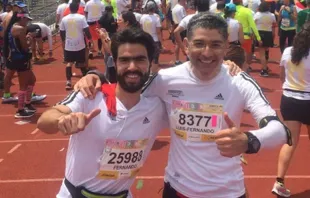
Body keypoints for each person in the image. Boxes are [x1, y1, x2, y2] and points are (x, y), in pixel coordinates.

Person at [74, 13, 292, 197]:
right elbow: (126, 90)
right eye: (199, 44)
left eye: (216, 45)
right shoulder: (166, 79)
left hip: (228, 191)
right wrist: (95, 76)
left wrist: (249, 141)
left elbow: (281, 131)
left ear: (226, 47)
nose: (207, 53)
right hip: (178, 189)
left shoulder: (239, 81)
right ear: (186, 46)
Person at [37, 27, 168, 198]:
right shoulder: (90, 95)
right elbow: (45, 120)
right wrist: (61, 121)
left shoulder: (157, 106)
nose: (132, 67)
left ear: (150, 62)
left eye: (140, 60)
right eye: (124, 60)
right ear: (115, 61)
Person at [272, 21, 310, 198]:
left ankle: (279, 182)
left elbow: (282, 76)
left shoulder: (288, 52)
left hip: (289, 99)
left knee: (290, 142)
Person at [4, 12, 37, 118]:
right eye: (26, 20)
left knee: (32, 80)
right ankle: (20, 110)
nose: (27, 22)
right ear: (22, 19)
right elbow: (25, 46)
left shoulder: (11, 27)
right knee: (24, 85)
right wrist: (30, 38)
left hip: (15, 58)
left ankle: (27, 103)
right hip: (21, 58)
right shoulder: (20, 29)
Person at [60, 2, 93, 90]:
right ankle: (85, 80)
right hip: (80, 43)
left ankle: (68, 82)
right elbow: (86, 30)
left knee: (69, 63)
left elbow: (62, 32)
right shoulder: (81, 17)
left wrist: (63, 41)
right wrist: (90, 39)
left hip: (69, 44)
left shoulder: (64, 19)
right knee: (81, 62)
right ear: (78, 8)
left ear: (69, 8)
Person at [254, 1, 277, 77]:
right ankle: (265, 67)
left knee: (262, 54)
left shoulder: (257, 15)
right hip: (268, 33)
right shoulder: (272, 15)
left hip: (260, 33)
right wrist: (273, 35)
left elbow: (253, 25)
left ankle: (264, 70)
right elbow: (274, 25)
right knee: (266, 51)